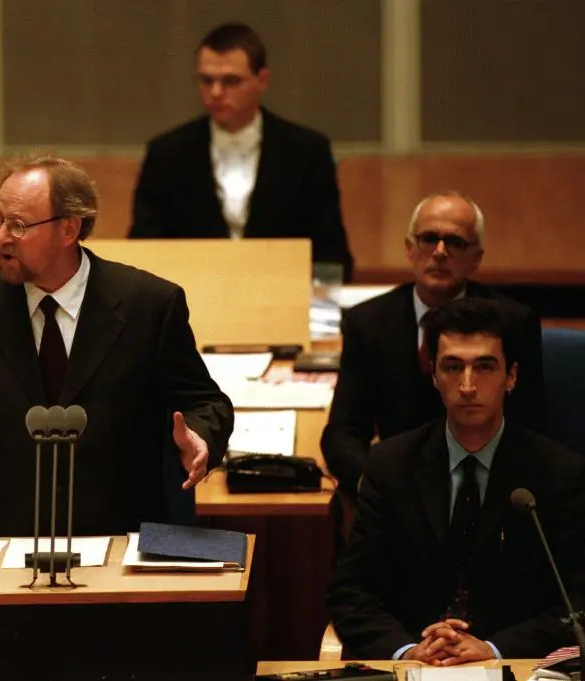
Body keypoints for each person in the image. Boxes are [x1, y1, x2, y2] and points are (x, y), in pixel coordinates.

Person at [0, 153, 234, 537]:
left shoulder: (149, 305)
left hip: (123, 536)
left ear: (69, 230)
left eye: (19, 225)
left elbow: (207, 402)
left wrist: (199, 436)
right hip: (11, 538)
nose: (2, 237)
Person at [327, 297, 585, 662]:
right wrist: (406, 650)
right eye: (452, 367)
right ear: (433, 375)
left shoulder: (559, 474)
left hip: (515, 666)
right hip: (414, 666)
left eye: (484, 367)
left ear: (510, 376)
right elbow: (351, 592)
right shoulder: (391, 465)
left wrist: (495, 649)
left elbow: (578, 601)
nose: (467, 385)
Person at [322, 192, 545, 502]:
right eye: (429, 239)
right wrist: (375, 486)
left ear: (476, 258)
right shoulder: (368, 322)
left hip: (482, 491)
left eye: (454, 242)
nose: (440, 252)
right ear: (410, 249)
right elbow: (342, 434)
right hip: (395, 490)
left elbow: (528, 428)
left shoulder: (513, 322)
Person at [129, 22, 353, 280]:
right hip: (192, 302)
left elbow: (329, 249)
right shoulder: (166, 153)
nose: (215, 92)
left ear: (262, 80)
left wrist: (322, 320)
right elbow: (145, 246)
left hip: (281, 297)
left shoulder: (307, 151)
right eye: (206, 80)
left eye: (230, 81)